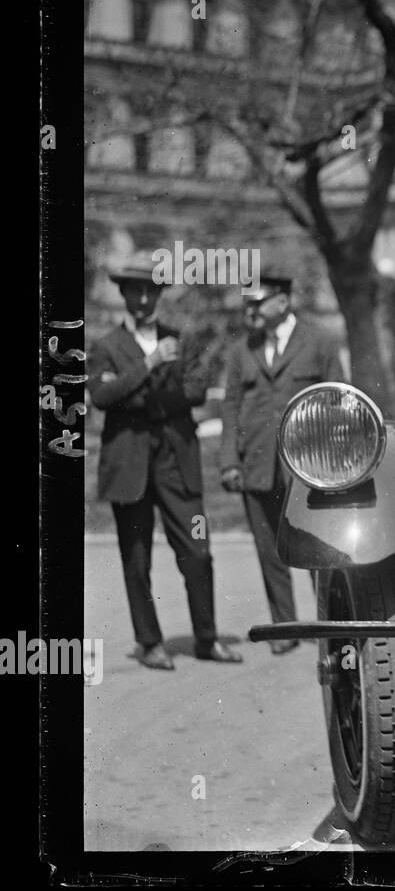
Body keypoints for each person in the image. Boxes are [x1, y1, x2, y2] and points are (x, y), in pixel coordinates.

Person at [88, 258, 242, 669]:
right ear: (124, 295)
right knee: (136, 560)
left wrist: (134, 397)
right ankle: (150, 642)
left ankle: (207, 639)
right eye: (134, 292)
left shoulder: (181, 339)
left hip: (178, 465)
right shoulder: (105, 347)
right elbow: (101, 398)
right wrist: (152, 365)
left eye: (149, 291)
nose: (142, 299)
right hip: (129, 469)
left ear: (158, 294)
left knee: (199, 548)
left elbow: (194, 390)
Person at [219, 267, 344, 653]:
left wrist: (336, 464)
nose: (250, 309)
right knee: (269, 549)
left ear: (283, 301)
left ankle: (333, 628)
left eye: (257, 301)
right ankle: (285, 629)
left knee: (320, 548)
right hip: (257, 464)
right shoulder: (243, 350)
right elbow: (231, 407)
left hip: (308, 467)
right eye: (248, 302)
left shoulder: (319, 342)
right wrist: (229, 461)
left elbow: (338, 403)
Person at [375, 257, 395, 415]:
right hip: (386, 331)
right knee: (389, 372)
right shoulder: (390, 284)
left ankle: (390, 409)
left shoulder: (384, 285)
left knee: (388, 372)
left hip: (385, 331)